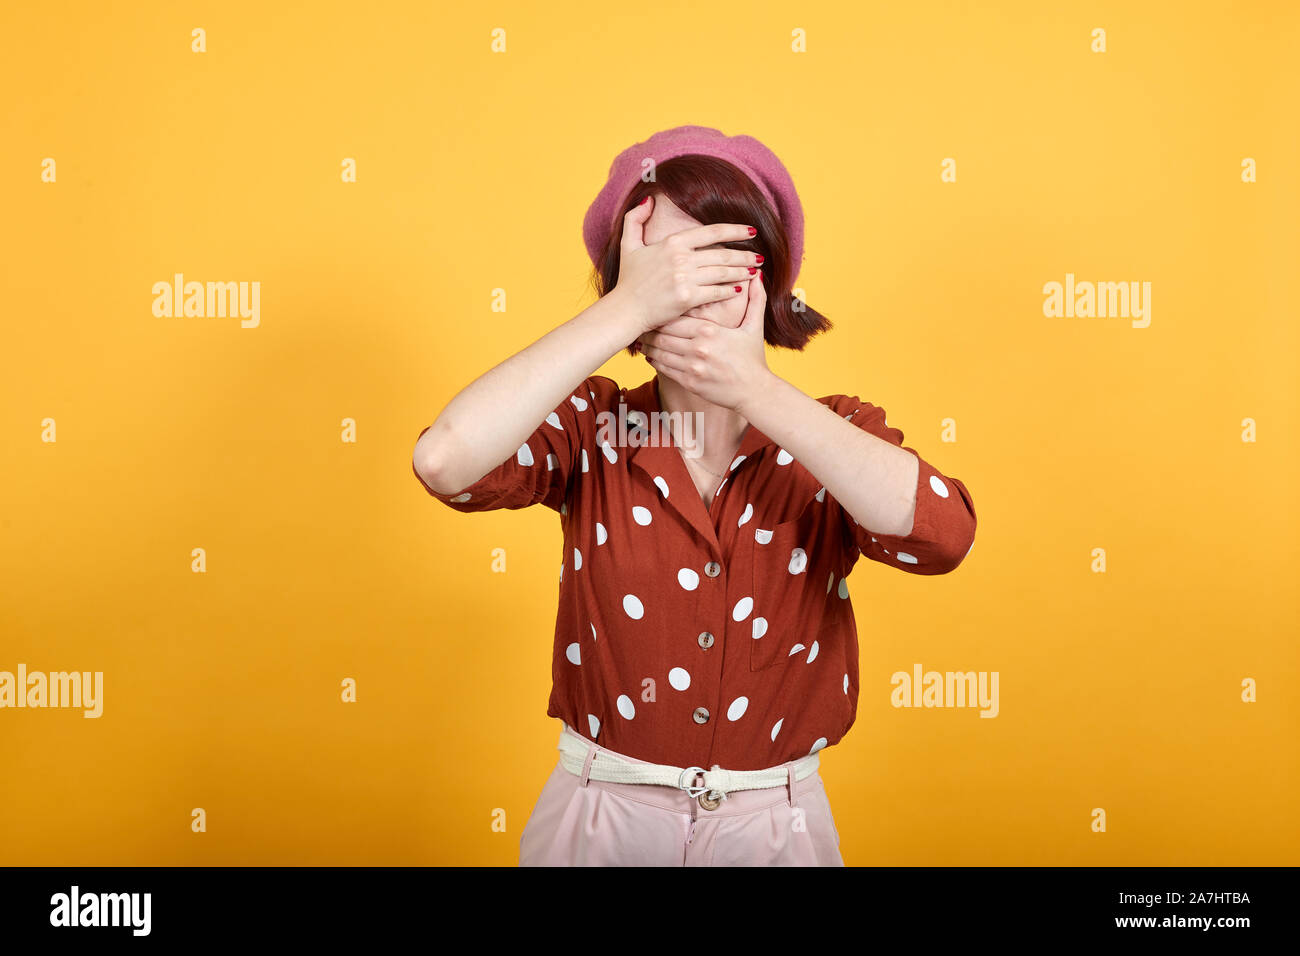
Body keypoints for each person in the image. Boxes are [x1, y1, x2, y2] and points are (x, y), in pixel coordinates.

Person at [412, 125, 978, 866]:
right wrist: (622, 310)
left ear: (768, 280)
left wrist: (752, 387)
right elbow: (445, 460)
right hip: (599, 817)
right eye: (662, 265)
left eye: (717, 258)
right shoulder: (593, 425)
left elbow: (942, 535)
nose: (687, 284)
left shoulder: (833, 432)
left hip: (777, 827)